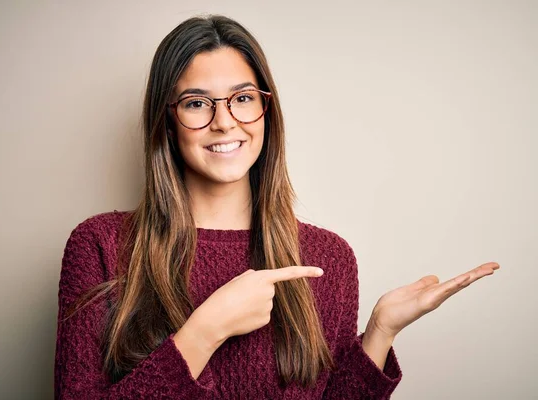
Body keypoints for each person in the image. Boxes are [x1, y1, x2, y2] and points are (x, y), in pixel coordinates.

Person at [54, 14, 500, 399]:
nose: (225, 121)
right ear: (168, 122)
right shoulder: (101, 245)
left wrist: (380, 332)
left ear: (267, 111)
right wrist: (203, 332)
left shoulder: (328, 259)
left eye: (243, 98)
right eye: (196, 104)